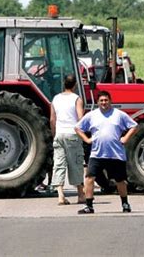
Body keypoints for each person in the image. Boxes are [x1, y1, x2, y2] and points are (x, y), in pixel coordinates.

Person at [75, 91, 139, 214]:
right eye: (101, 101)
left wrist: (125, 138)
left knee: (120, 180)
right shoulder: (92, 115)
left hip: (115, 154)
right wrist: (87, 139)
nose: (104, 103)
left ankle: (125, 203)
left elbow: (134, 126)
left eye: (106, 100)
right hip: (97, 154)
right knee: (89, 177)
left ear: (110, 101)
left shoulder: (119, 115)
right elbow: (78, 128)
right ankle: (89, 205)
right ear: (98, 102)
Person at [50, 74, 85, 205]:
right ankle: (81, 194)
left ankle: (60, 195)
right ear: (75, 85)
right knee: (75, 163)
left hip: (59, 134)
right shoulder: (76, 99)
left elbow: (52, 119)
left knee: (59, 164)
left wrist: (54, 134)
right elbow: (80, 118)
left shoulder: (56, 99)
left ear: (63, 84)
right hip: (72, 134)